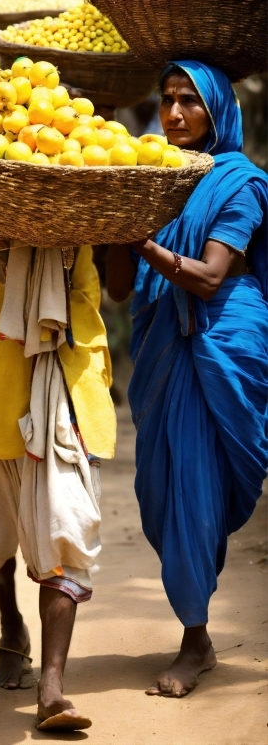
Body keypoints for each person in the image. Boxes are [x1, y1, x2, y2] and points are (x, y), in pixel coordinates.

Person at [107, 61, 267, 698]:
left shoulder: (243, 182)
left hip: (222, 339)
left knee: (199, 481)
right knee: (166, 483)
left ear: (219, 112)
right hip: (163, 347)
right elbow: (121, 292)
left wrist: (143, 240)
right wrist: (117, 222)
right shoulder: (149, 178)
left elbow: (206, 276)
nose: (173, 114)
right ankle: (195, 625)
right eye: (166, 100)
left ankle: (195, 640)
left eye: (189, 103)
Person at [0, 235, 116, 731]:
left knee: (66, 530)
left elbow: (102, 292)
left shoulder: (71, 213)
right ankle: (12, 625)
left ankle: (52, 685)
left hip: (63, 386)